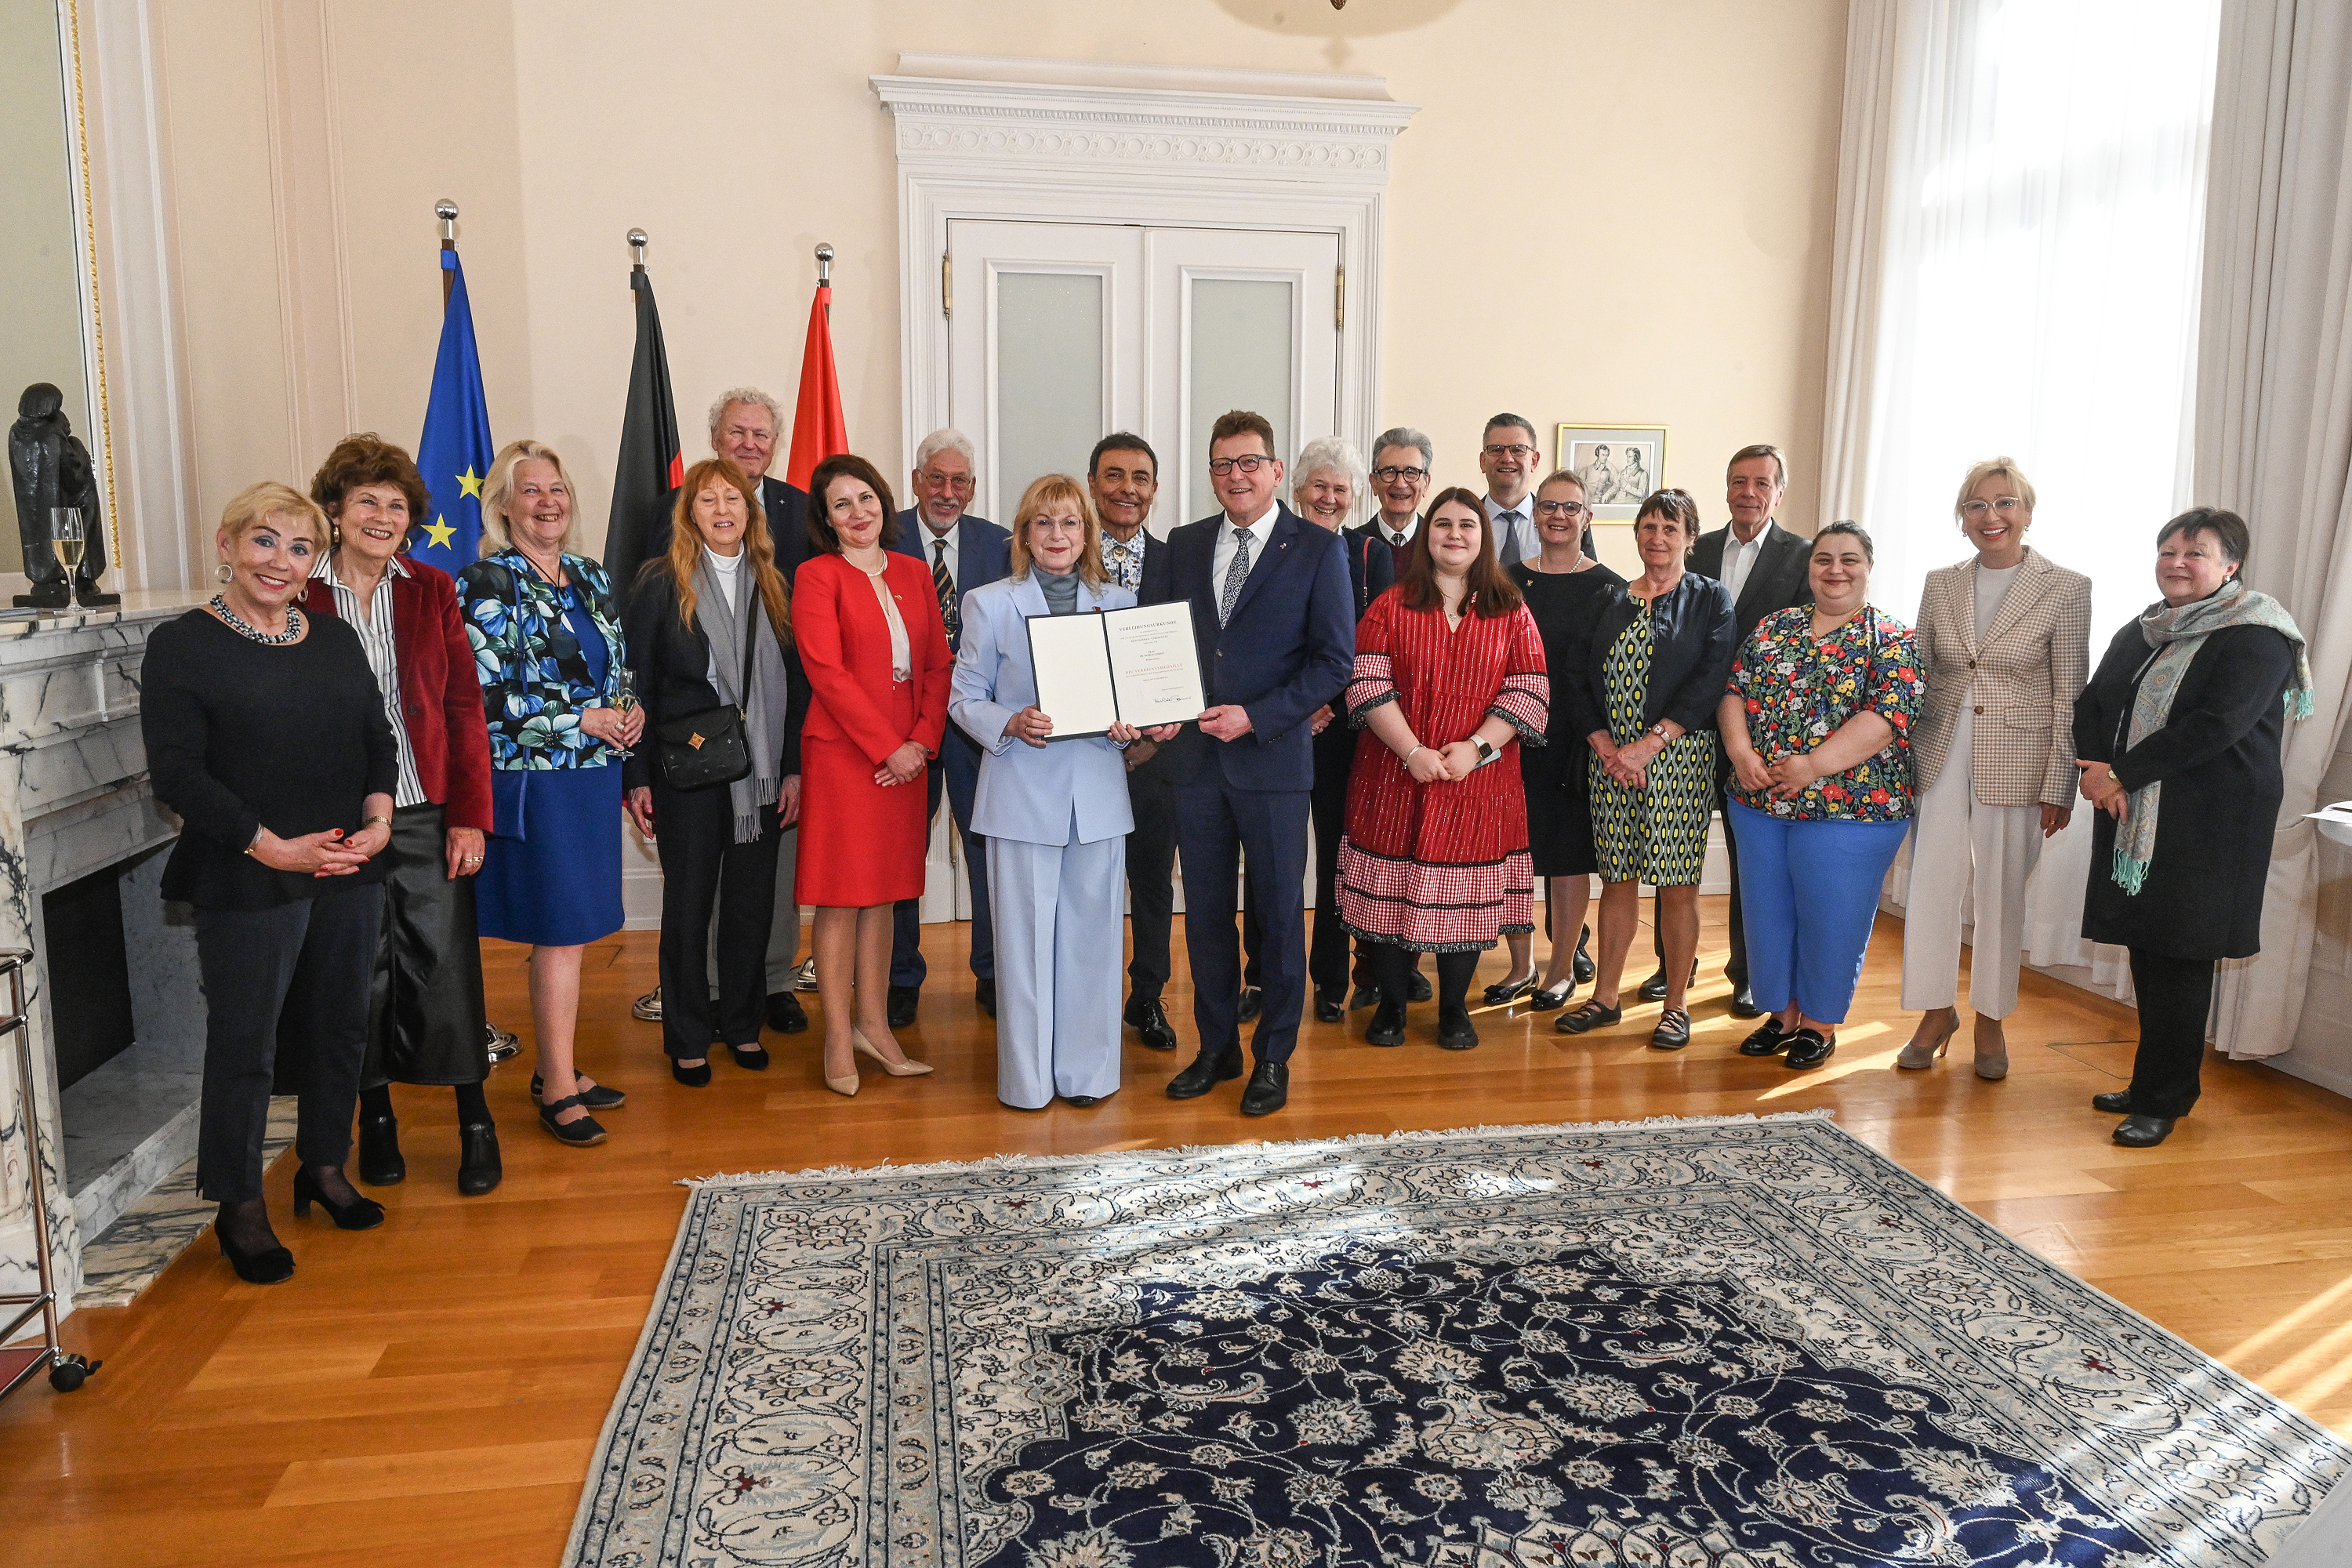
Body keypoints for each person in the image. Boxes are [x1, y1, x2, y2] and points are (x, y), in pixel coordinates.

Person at [143, 482, 397, 1284]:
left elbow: (376, 736)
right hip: (247, 873)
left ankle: (323, 1167)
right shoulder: (183, 644)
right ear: (226, 544)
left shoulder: (332, 638)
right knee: (247, 1045)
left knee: (341, 1028)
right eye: (263, 541)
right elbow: (177, 772)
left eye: (298, 548)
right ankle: (238, 1204)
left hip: (347, 864)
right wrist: (270, 847)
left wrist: (381, 818)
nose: (279, 562)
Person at [296, 436, 499, 1198]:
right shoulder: (301, 592)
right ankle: (374, 1117)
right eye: (367, 502)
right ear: (336, 512)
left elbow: (462, 704)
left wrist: (469, 814)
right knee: (358, 976)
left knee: (446, 970)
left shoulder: (432, 588)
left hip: (426, 803)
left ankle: (475, 1120)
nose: (383, 516)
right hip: (337, 816)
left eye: (396, 504)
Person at [1142, 409, 1355, 1116]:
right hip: (1194, 764)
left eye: (1248, 462)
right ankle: (1216, 1047)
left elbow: (1334, 663)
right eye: (1222, 464)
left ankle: (1272, 1056)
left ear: (1273, 472)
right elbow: (1154, 641)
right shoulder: (1181, 543)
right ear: (1211, 475)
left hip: (1271, 762)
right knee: (1203, 915)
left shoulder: (1318, 549)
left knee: (1276, 914)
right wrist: (1155, 704)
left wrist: (1257, 716)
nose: (1235, 475)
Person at [2074, 509, 2310, 1147]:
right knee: (2149, 949)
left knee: (2181, 955)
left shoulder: (2258, 634)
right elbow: (2095, 700)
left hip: (2212, 822)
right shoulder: (2150, 626)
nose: (2177, 562)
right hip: (2137, 808)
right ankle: (2154, 1080)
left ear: (2230, 565)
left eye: (2195, 553)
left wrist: (2121, 774)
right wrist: (2097, 770)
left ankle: (2164, 1099)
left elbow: (2217, 726)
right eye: (2167, 550)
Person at [951, 474, 1177, 1109]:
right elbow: (964, 698)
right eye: (1044, 523)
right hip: (1022, 791)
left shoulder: (1124, 603)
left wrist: (1139, 723)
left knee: (1092, 941)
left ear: (1089, 533)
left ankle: (1087, 1075)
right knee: (1022, 946)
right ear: (1025, 534)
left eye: (1071, 523)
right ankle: (1026, 1083)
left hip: (1099, 793)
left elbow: (1134, 701)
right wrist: (1010, 722)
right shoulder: (989, 602)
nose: (1058, 535)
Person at [458, 440, 642, 1146]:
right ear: (504, 507)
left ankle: (556, 1067)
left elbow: (616, 668)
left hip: (593, 776)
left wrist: (630, 712)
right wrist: (582, 720)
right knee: (560, 932)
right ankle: (558, 1088)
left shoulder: (590, 577)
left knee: (573, 931)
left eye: (557, 489)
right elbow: (483, 696)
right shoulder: (486, 583)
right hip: (536, 779)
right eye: (530, 491)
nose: (548, 502)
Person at [622, 389, 811, 1038]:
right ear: (689, 510)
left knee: (752, 907)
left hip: (759, 769)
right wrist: (636, 776)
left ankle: (743, 1023)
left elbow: (794, 676)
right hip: (688, 770)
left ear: (750, 511)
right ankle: (686, 1031)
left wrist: (789, 767)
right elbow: (637, 681)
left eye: (734, 499)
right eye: (710, 498)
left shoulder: (775, 581)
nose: (723, 508)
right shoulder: (659, 581)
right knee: (689, 905)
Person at [1898, 458, 2091, 1080]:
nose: (1992, 516)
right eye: (1978, 505)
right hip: (1940, 750)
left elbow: (2071, 693)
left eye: (2005, 503)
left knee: (2002, 892)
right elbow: (1918, 674)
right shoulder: (1940, 583)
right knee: (1931, 885)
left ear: (2027, 513)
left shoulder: (2066, 588)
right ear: (1963, 518)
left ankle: (1991, 1020)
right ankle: (1935, 1012)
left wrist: (2061, 780)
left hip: (2022, 758)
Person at [1338, 488, 1548, 1048]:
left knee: (1468, 898)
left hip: (1479, 784)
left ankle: (1455, 1009)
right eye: (1443, 525)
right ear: (1427, 535)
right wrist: (1413, 752)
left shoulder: (1511, 609)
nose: (1454, 535)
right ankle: (1391, 1006)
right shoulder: (1391, 605)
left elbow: (1529, 689)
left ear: (1483, 538)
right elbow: (1367, 684)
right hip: (1394, 775)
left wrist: (1476, 748)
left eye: (1467, 526)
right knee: (1393, 890)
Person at [1719, 521, 1923, 1069]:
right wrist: (1741, 754)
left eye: (1849, 560)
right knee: (1768, 915)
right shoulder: (1774, 627)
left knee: (1832, 919)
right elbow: (1733, 691)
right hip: (1760, 804)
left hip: (1852, 810)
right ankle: (1781, 1015)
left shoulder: (1893, 639)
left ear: (1868, 567)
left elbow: (1885, 718)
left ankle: (1819, 1024)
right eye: (1824, 559)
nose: (1835, 570)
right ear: (1809, 568)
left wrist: (1811, 767)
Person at [794, 453, 952, 1095]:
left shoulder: (914, 572)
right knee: (839, 897)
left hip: (906, 755)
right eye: (842, 504)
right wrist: (889, 747)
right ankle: (836, 1034)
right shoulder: (815, 576)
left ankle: (874, 1027)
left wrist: (919, 741)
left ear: (884, 503)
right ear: (826, 520)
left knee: (885, 894)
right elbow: (825, 673)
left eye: (866, 498)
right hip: (845, 755)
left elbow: (940, 666)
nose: (858, 513)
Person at [1556, 489, 1734, 1048]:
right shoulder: (1607, 599)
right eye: (1647, 526)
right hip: (1611, 764)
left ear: (1690, 538)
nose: (1656, 537)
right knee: (1617, 879)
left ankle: (1676, 1005)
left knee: (1678, 884)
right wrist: (1607, 746)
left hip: (1679, 760)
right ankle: (1605, 998)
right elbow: (1576, 676)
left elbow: (1711, 678)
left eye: (1669, 528)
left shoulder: (1710, 598)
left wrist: (1650, 745)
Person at [1657, 444, 1814, 1014]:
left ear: (1779, 490)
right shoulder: (1692, 550)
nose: (1749, 491)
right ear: (1726, 488)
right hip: (1689, 728)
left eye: (1761, 482)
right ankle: (1671, 966)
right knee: (1675, 849)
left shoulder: (1802, 557)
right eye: (1738, 481)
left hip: (1761, 736)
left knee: (1755, 861)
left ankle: (1748, 973)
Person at [886, 428, 1010, 1026]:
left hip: (975, 730)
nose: (947, 491)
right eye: (936, 478)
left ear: (973, 489)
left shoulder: (1002, 544)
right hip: (905, 725)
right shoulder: (883, 541)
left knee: (986, 850)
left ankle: (991, 971)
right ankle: (900, 975)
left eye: (959, 481)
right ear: (915, 482)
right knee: (902, 852)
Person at [1492, 469, 1622, 1008]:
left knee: (1568, 859)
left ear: (1587, 517)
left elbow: (1609, 674)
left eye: (1571, 507)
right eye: (1548, 506)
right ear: (1535, 513)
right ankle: (1521, 965)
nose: (1558, 516)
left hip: (1575, 743)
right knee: (1514, 857)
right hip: (1510, 738)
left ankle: (1561, 968)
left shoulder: (1611, 586)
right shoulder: (1504, 580)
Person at [1294, 437, 1394, 1022]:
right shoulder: (1275, 544)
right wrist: (1296, 705)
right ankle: (1262, 977)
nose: (1329, 497)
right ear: (1298, 489)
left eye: (1340, 489)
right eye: (1319, 487)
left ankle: (1331, 982)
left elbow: (1372, 640)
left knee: (1337, 857)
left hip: (1342, 727)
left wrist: (1328, 702)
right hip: (1282, 725)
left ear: (1354, 496)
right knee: (1274, 860)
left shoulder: (1368, 553)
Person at [1089, 434, 1181, 1052]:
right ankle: (1086, 998)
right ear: (1094, 483)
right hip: (1079, 755)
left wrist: (1153, 740)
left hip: (1158, 756)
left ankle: (1146, 997)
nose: (1128, 489)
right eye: (1115, 476)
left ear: (1154, 489)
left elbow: (1188, 656)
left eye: (1140, 478)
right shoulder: (1063, 554)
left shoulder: (1183, 558)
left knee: (1151, 882)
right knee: (1089, 884)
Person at [1480, 413, 1593, 564]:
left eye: (1518, 449)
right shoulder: (1466, 522)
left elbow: (1589, 577)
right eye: (1496, 449)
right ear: (1483, 461)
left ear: (1534, 461)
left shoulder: (1566, 521)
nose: (1507, 458)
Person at [1352, 426, 1433, 581]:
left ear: (1426, 484)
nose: (1400, 483)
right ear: (1374, 482)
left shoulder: (1437, 545)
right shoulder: (1354, 546)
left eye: (1411, 472)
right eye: (1390, 471)